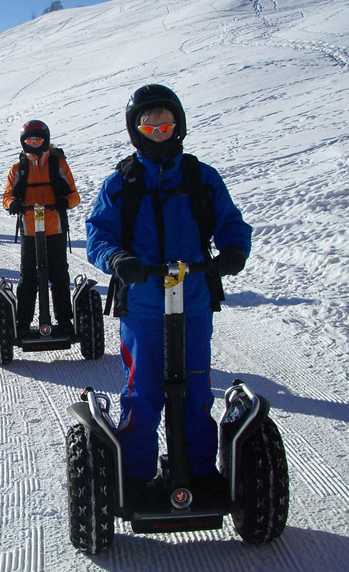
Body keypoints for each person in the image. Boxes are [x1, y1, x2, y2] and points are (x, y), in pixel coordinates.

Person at [85, 84, 252, 503]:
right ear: (136, 130)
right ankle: (136, 476)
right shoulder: (121, 183)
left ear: (178, 126)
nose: (158, 131)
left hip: (193, 299)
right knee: (143, 392)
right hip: (142, 303)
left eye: (166, 124)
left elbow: (231, 222)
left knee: (195, 390)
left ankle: (198, 471)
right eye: (149, 125)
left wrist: (233, 249)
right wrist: (118, 259)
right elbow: (98, 235)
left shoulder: (200, 177)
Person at [2, 120, 81, 336]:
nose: (34, 144)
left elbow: (74, 195)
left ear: (45, 140)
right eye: (30, 140)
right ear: (23, 143)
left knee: (58, 276)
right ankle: (22, 324)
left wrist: (65, 202)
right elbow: (7, 196)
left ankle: (64, 321)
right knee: (28, 277)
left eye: (38, 140)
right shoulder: (18, 169)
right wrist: (13, 204)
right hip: (29, 231)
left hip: (54, 228)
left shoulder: (58, 165)